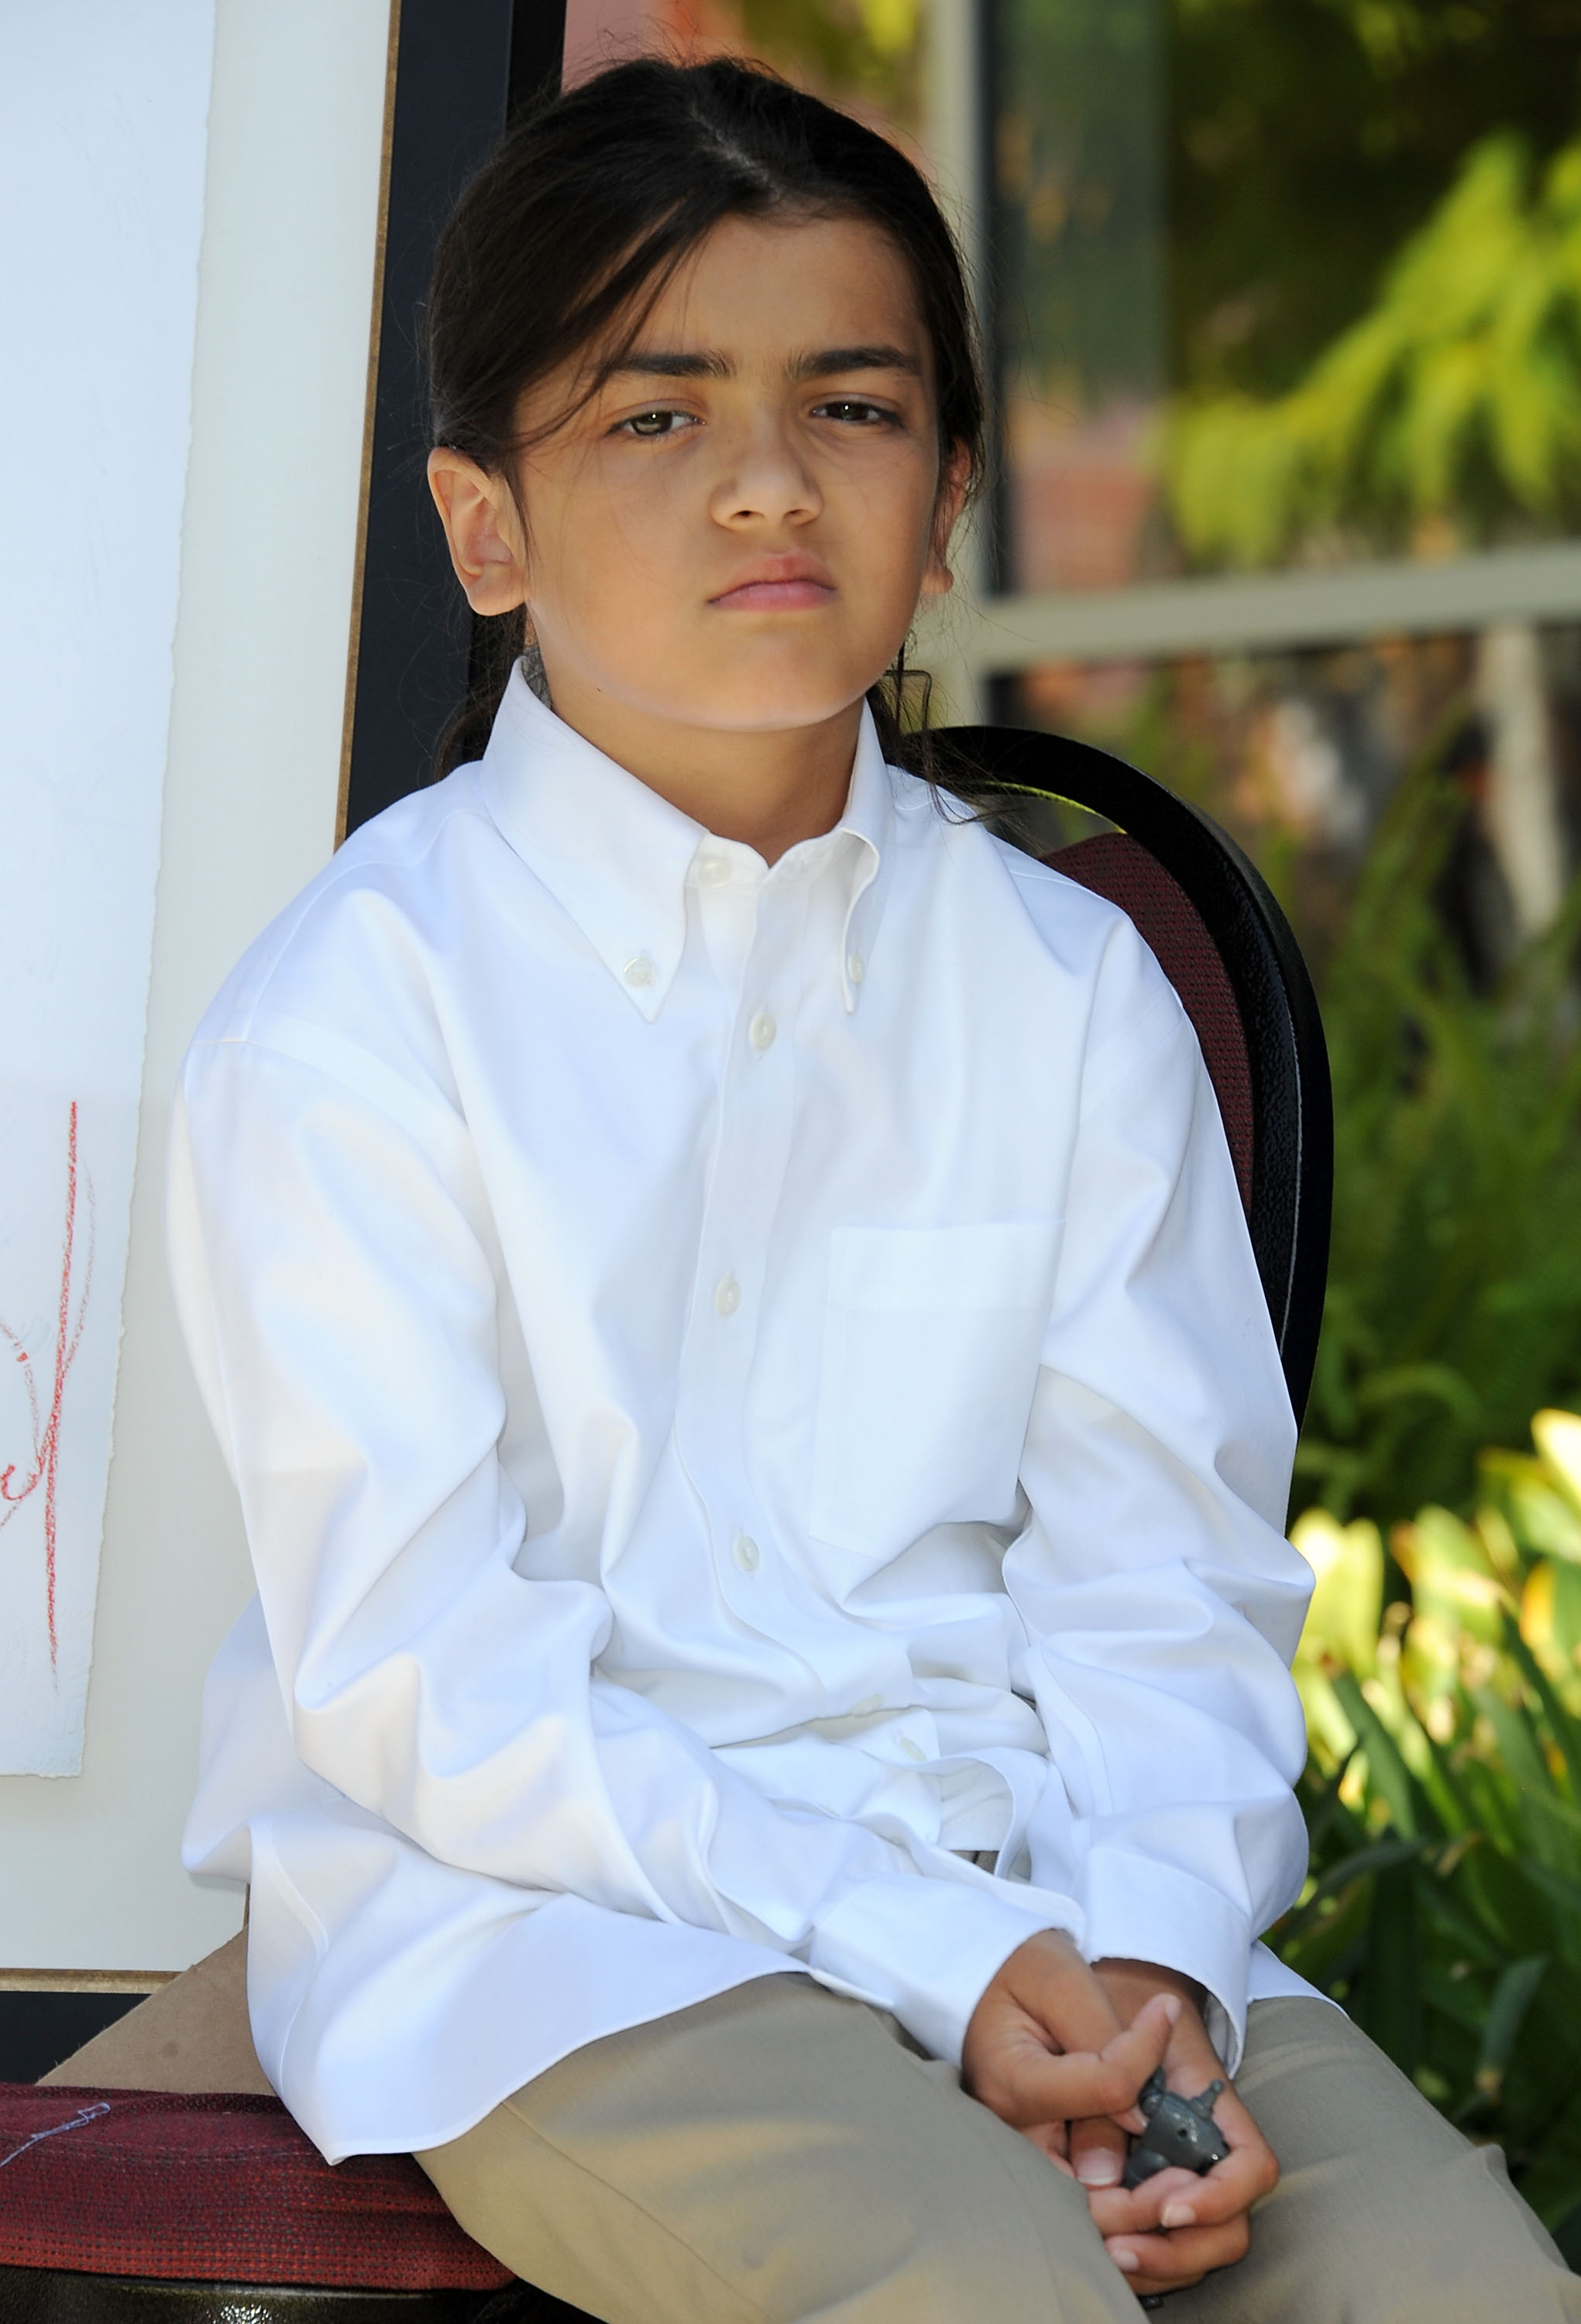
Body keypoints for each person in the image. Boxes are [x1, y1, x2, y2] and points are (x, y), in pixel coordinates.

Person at [167, 54, 1579, 2324]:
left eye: (848, 406)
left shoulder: (1060, 990)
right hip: (551, 1937)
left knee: (1460, 2303)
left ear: (944, 503)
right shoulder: (356, 1013)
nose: (762, 489)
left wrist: (1151, 1990)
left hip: (1050, 1911)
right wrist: (946, 1958)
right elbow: (431, 1681)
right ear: (481, 526)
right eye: (653, 416)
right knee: (981, 2294)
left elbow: (1161, 1589)